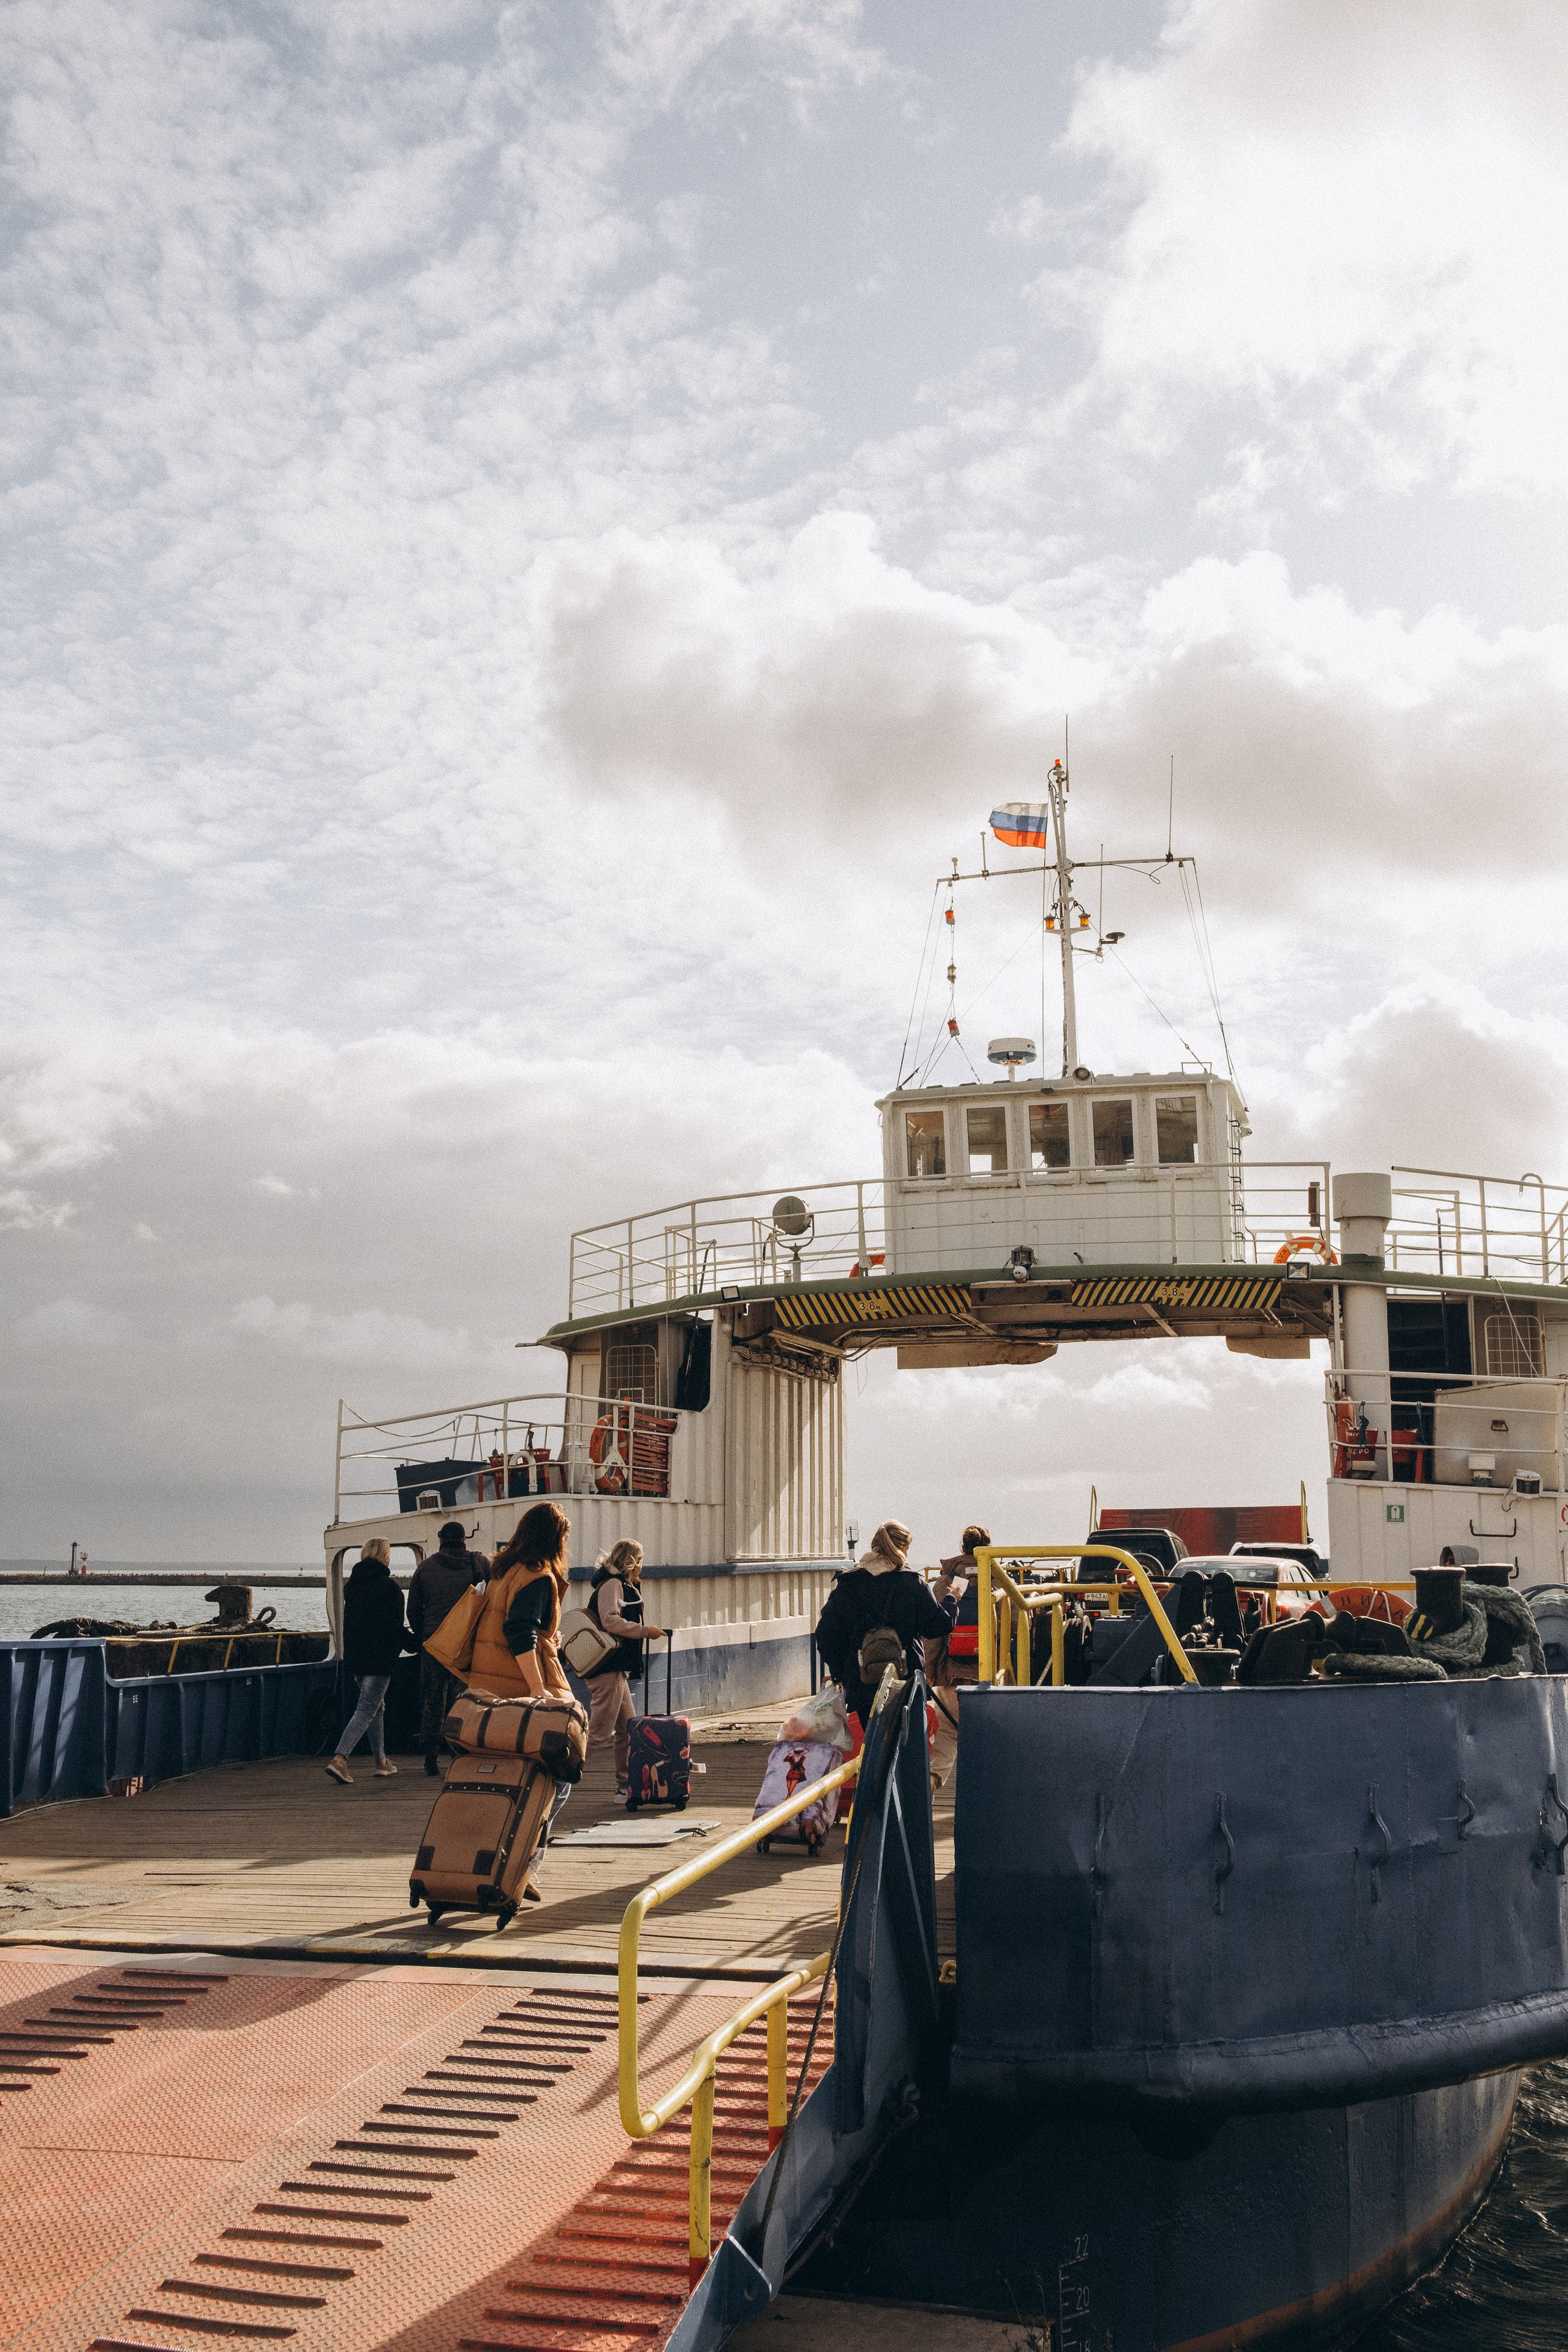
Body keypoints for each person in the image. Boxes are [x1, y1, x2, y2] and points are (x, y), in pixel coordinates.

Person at [470, 1500, 578, 1902]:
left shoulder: (504, 1570)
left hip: (488, 1690)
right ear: (554, 1538)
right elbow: (519, 1632)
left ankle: (501, 1862)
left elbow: (508, 1628)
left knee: (509, 1782)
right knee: (559, 1779)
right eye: (564, 1536)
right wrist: (538, 1688)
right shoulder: (537, 1575)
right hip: (519, 1694)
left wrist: (551, 1640)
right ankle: (524, 1866)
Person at [813, 1519, 958, 1734]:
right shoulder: (911, 1583)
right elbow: (938, 1626)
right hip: (905, 1680)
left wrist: (840, 1673)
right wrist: (951, 1601)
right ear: (904, 1548)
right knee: (906, 1744)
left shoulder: (848, 1584)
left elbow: (826, 1635)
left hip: (860, 1681)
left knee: (870, 1744)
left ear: (874, 1545)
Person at [326, 1539, 418, 1785]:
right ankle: (340, 1760)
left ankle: (382, 1763)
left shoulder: (352, 1587)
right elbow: (394, 1629)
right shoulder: (391, 1590)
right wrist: (417, 1644)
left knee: (376, 1708)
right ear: (386, 1558)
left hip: (356, 1658)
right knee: (367, 1709)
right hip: (380, 1660)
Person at [582, 1539, 666, 1804]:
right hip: (607, 1667)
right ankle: (558, 1771)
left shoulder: (623, 1584)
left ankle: (624, 1786)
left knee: (629, 1730)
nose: (642, 1566)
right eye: (640, 1560)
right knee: (599, 1732)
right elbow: (610, 1620)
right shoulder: (612, 1584)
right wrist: (644, 1631)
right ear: (632, 1561)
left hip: (616, 1668)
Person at [408, 1521, 487, 1776]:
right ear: (465, 1539)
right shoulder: (480, 1564)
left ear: (441, 1538)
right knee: (462, 1700)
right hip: (467, 1643)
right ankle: (460, 1756)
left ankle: (431, 1760)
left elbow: (413, 1612)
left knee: (433, 1702)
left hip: (435, 1644)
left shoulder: (425, 1568)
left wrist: (426, 1637)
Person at [925, 1524, 990, 1787]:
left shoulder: (946, 1583)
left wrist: (930, 1672)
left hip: (953, 1676)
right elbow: (1019, 1627)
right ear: (988, 1547)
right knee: (990, 1740)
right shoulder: (998, 1579)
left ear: (962, 1548)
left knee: (947, 1738)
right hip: (992, 1677)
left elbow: (933, 1634)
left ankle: (928, 1790)